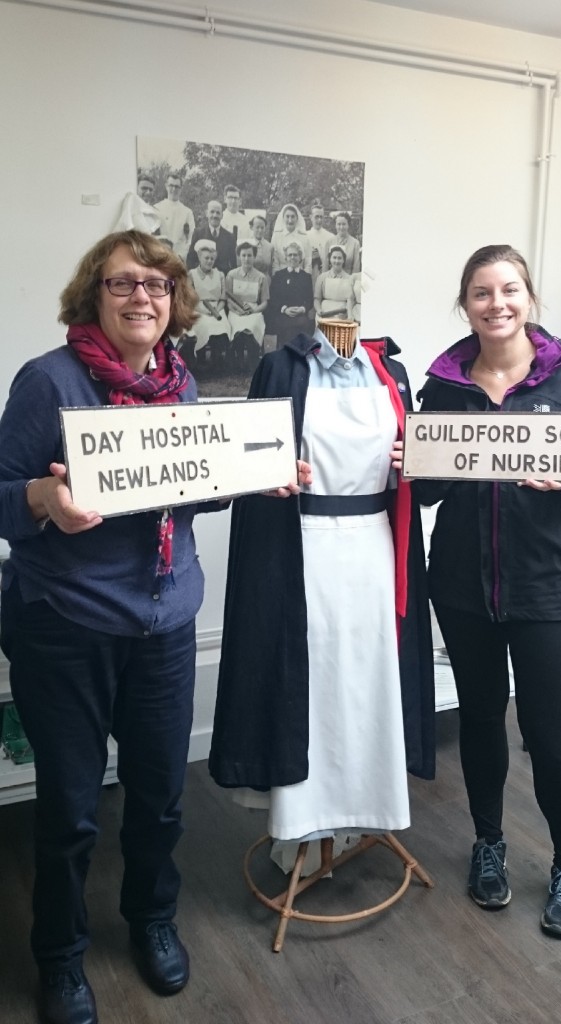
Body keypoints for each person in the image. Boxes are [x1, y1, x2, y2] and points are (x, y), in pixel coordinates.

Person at [0, 229, 309, 1024]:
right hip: (64, 624)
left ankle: (150, 920)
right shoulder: (50, 382)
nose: (143, 297)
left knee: (160, 798)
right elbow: (4, 491)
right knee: (69, 809)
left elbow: (188, 487)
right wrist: (42, 501)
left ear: (176, 303)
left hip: (165, 619)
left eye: (159, 286)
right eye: (124, 284)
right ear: (92, 297)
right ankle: (61, 958)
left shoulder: (179, 385)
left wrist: (255, 478)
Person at [414, 243, 561, 939]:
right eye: (481, 293)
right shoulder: (445, 385)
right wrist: (413, 461)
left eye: (508, 290)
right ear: (465, 305)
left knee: (548, 732)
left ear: (529, 297)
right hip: (460, 584)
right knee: (479, 719)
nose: (496, 304)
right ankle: (488, 844)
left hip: (550, 587)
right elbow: (428, 489)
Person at [209, 321, 435, 861]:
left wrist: (417, 467)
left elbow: (418, 470)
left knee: (368, 680)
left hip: (374, 549)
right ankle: (304, 823)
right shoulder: (281, 368)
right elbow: (249, 463)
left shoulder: (392, 373)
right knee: (308, 681)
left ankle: (366, 809)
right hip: (302, 546)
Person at [186, 238, 231, 367]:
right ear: (199, 257)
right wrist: (204, 311)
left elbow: (223, 297)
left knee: (221, 324)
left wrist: (217, 309)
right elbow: (190, 298)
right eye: (206, 258)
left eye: (212, 258)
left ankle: (216, 358)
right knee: (203, 324)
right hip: (198, 308)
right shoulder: (192, 274)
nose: (209, 261)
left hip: (217, 308)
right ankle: (200, 358)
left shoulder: (220, 274)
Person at [226, 240, 269, 372]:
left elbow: (265, 302)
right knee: (237, 325)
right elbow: (228, 299)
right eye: (243, 255)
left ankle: (253, 360)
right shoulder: (231, 275)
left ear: (254, 257)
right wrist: (237, 311)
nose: (246, 259)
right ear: (239, 256)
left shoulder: (261, 277)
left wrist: (255, 310)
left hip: (254, 311)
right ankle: (237, 360)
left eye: (250, 255)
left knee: (253, 324)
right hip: (236, 311)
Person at [268, 242, 314, 349]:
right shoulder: (279, 276)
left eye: (295, 255)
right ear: (285, 258)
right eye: (290, 255)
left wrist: (302, 309)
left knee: (303, 324)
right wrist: (284, 309)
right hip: (283, 314)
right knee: (284, 326)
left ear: (300, 257)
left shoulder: (306, 277)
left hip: (300, 315)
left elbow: (309, 299)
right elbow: (273, 298)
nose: (292, 257)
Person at [186, 200, 237, 275]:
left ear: (222, 215)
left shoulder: (230, 237)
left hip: (221, 280)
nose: (215, 215)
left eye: (218, 213)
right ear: (207, 213)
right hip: (202, 279)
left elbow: (233, 265)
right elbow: (190, 260)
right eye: (212, 212)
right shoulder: (198, 233)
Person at [154, 173, 195, 260]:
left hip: (180, 257)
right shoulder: (157, 208)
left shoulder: (187, 212)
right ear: (166, 186)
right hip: (161, 256)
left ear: (181, 189)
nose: (174, 189)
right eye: (171, 185)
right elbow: (153, 236)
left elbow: (191, 237)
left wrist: (182, 255)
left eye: (177, 186)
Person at [313, 245, 353, 320]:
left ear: (344, 260)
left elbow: (350, 301)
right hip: (324, 314)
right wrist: (319, 311)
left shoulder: (349, 279)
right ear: (330, 259)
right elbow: (317, 299)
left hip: (342, 315)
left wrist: (347, 314)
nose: (337, 261)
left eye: (339, 258)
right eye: (334, 258)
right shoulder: (322, 277)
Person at [271, 203, 312, 275]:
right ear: (283, 218)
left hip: (300, 276)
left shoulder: (304, 237)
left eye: (293, 217)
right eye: (287, 216)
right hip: (281, 276)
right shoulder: (276, 236)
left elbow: (308, 262)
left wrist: (305, 279)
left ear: (297, 218)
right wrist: (277, 278)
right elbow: (275, 263)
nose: (290, 220)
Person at [306, 200, 335, 286]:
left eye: (321, 217)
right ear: (311, 217)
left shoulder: (330, 237)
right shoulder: (305, 236)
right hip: (309, 277)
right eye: (316, 217)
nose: (319, 220)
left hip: (326, 277)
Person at [248, 213, 274, 278]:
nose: (260, 230)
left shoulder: (270, 247)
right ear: (251, 227)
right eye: (257, 227)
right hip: (250, 280)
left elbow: (271, 269)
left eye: (262, 228)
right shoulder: (247, 245)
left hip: (266, 281)